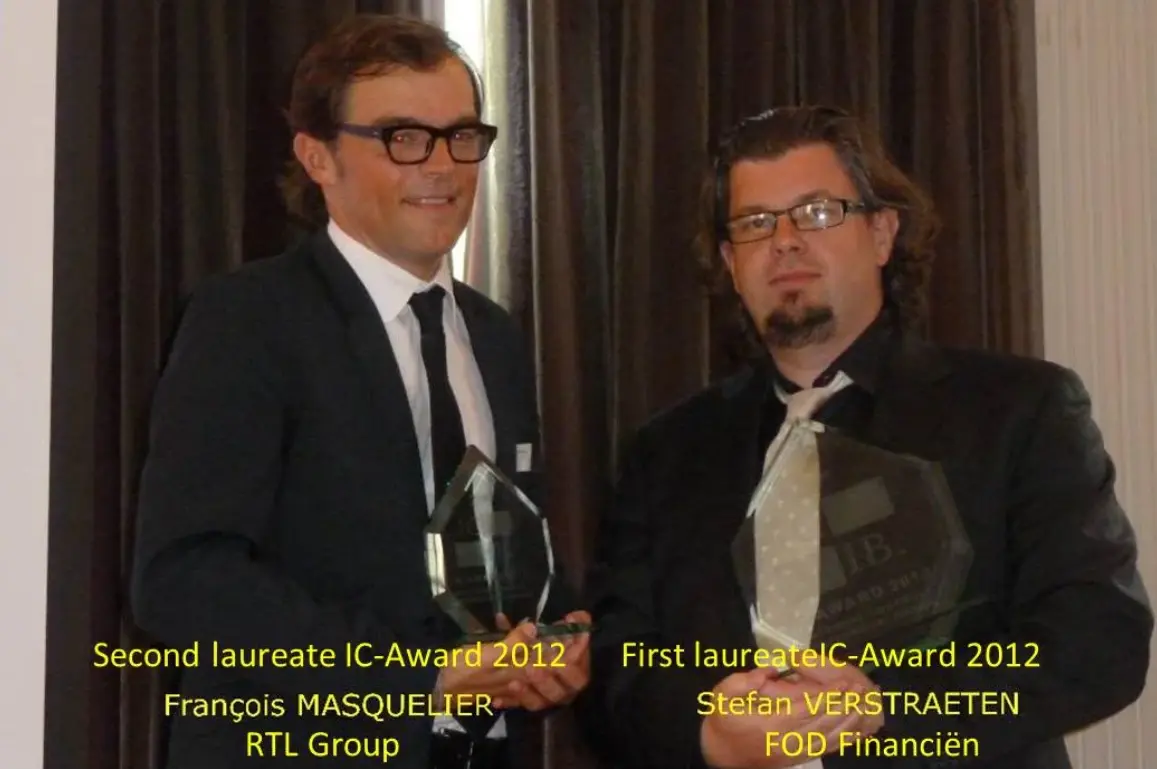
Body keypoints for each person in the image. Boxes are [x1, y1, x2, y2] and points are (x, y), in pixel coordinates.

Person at [579, 105, 1152, 769]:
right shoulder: (666, 453)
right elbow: (618, 665)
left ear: (882, 233)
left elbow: (1096, 639)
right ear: (731, 263)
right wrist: (707, 735)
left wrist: (887, 712)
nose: (785, 241)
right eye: (756, 222)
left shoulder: (1017, 412)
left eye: (817, 212)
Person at [130, 14, 589, 769]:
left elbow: (501, 543)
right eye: (404, 138)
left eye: (461, 135)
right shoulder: (247, 319)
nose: (441, 166)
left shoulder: (496, 337)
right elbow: (184, 576)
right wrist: (420, 680)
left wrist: (556, 638)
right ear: (317, 156)